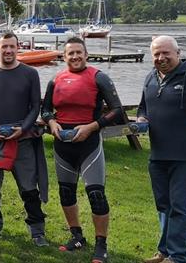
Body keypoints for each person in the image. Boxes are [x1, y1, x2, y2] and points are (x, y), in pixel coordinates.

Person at [42, 37, 125, 263]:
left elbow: (117, 111)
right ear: (64, 56)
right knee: (66, 192)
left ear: (86, 54)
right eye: (71, 53)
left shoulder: (99, 77)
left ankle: (101, 244)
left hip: (89, 143)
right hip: (63, 144)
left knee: (96, 194)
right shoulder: (56, 80)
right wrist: (51, 123)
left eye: (79, 52)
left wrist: (92, 127)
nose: (75, 56)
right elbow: (46, 110)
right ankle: (77, 236)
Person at [137, 35, 186, 263]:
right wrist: (142, 118)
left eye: (166, 53)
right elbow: (144, 105)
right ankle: (164, 252)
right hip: (158, 154)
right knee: (164, 205)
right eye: (156, 54)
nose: (161, 58)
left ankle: (179, 257)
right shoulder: (151, 77)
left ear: (178, 53)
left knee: (180, 207)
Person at [0, 31, 49, 246]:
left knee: (29, 188)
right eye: (3, 46)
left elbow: (36, 106)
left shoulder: (30, 74)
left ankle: (37, 231)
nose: (8, 50)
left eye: (11, 46)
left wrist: (23, 128)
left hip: (22, 139)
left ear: (18, 48)